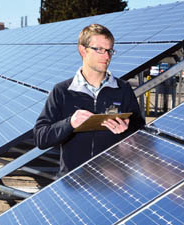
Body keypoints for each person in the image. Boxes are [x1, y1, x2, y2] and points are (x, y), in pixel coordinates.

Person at [33, 24, 145, 176]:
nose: (106, 56)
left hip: (113, 181)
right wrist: (70, 123)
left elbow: (140, 132)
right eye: (99, 49)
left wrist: (126, 130)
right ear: (82, 50)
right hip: (73, 182)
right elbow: (41, 137)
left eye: (109, 50)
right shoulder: (63, 91)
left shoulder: (122, 89)